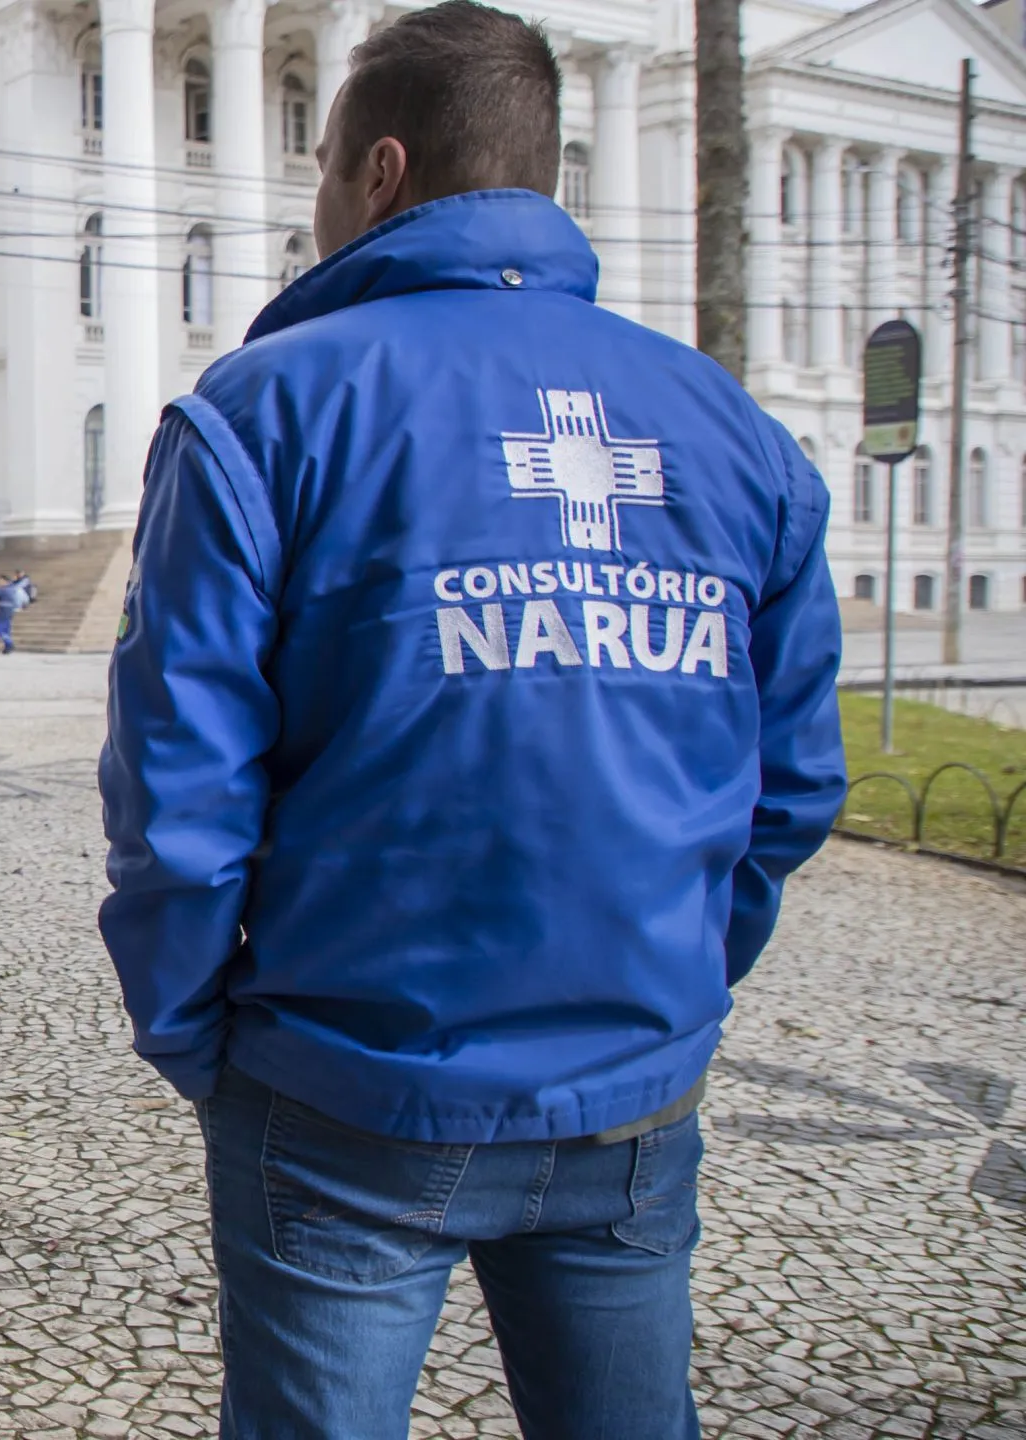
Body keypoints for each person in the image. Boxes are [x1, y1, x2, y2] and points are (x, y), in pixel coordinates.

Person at [97, 5, 844, 1436]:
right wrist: (667, 981)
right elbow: (793, 785)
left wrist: (198, 1035)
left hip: (342, 1089)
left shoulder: (262, 414)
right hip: (628, 1088)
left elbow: (179, 800)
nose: (313, 205)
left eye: (319, 167)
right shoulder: (731, 428)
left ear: (379, 172)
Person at [0, 576, 22, 654]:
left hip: (2, 612)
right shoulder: (13, 589)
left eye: (0, 581)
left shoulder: (3, 590)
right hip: (9, 612)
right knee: (6, 630)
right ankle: (7, 646)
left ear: (5, 581)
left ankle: (9, 643)